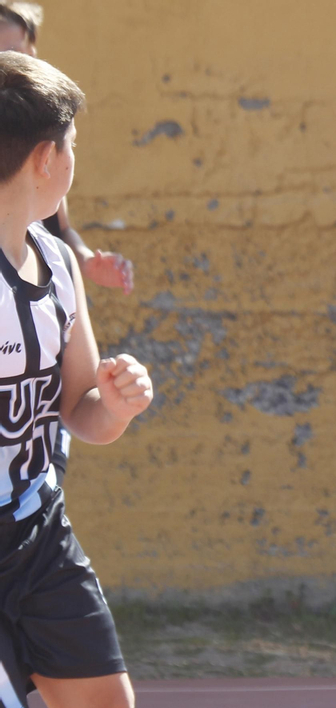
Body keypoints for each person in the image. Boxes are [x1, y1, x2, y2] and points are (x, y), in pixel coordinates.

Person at [0, 51, 154, 708]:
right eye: (75, 145)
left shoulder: (56, 267)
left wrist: (117, 405)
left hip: (36, 530)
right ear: (48, 159)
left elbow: (79, 408)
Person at [1, 1, 135, 489]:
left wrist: (81, 260)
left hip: (35, 494)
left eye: (13, 50)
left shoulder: (42, 135)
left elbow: (56, 227)